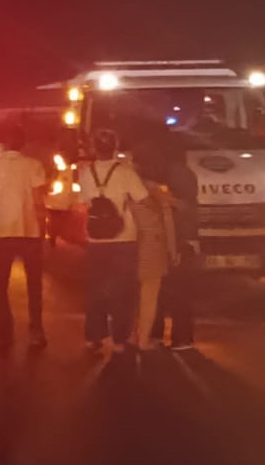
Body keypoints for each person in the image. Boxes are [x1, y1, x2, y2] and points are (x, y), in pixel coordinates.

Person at [0, 128, 49, 351]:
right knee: (34, 284)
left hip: (4, 230)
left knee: (1, 283)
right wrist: (43, 226)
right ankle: (35, 331)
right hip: (29, 231)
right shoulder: (33, 165)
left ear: (5, 144)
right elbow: (38, 200)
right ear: (23, 143)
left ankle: (4, 333)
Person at [78, 129, 148, 353]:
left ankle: (93, 336)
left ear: (94, 148)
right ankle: (120, 338)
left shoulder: (85, 173)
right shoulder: (126, 172)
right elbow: (142, 198)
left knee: (95, 288)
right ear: (115, 147)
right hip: (124, 237)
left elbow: (83, 202)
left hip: (95, 239)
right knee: (123, 289)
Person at [150, 133, 200, 350]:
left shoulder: (172, 174)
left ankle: (165, 334)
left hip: (176, 240)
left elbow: (182, 209)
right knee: (178, 291)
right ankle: (181, 336)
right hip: (181, 239)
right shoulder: (184, 173)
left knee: (166, 289)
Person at [130, 132, 179, 351]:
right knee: (149, 295)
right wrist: (172, 250)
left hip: (129, 244)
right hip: (153, 245)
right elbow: (168, 221)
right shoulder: (156, 191)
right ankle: (143, 340)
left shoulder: (126, 188)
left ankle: (129, 336)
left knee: (130, 295)